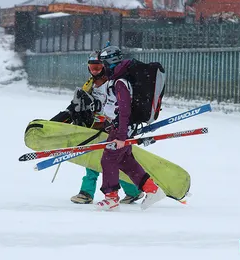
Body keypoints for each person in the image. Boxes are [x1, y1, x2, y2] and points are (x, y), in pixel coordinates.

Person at [51, 51, 144, 205]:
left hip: (111, 127)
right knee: (99, 160)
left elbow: (120, 106)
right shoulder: (90, 84)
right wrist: (63, 119)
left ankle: (125, 191)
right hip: (94, 127)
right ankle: (95, 192)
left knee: (109, 161)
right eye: (92, 67)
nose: (95, 71)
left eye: (98, 67)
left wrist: (118, 126)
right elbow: (78, 103)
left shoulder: (112, 82)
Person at [96, 45, 166, 211]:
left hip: (123, 128)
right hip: (121, 126)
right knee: (126, 161)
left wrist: (121, 136)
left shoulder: (120, 82)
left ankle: (111, 197)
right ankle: (152, 190)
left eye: (104, 64)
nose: (102, 68)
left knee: (109, 159)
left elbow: (125, 109)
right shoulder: (118, 80)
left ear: (110, 63)